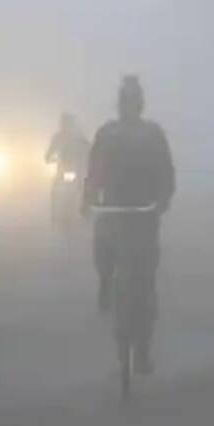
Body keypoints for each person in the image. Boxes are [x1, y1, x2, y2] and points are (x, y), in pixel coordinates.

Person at [83, 75, 175, 373]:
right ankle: (104, 283)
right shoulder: (107, 133)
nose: (129, 106)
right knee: (103, 252)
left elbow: (166, 172)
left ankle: (143, 351)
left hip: (144, 216)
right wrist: (87, 199)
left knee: (145, 285)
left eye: (132, 102)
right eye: (126, 101)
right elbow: (93, 172)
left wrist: (163, 200)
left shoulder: (153, 134)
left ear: (139, 104)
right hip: (115, 213)